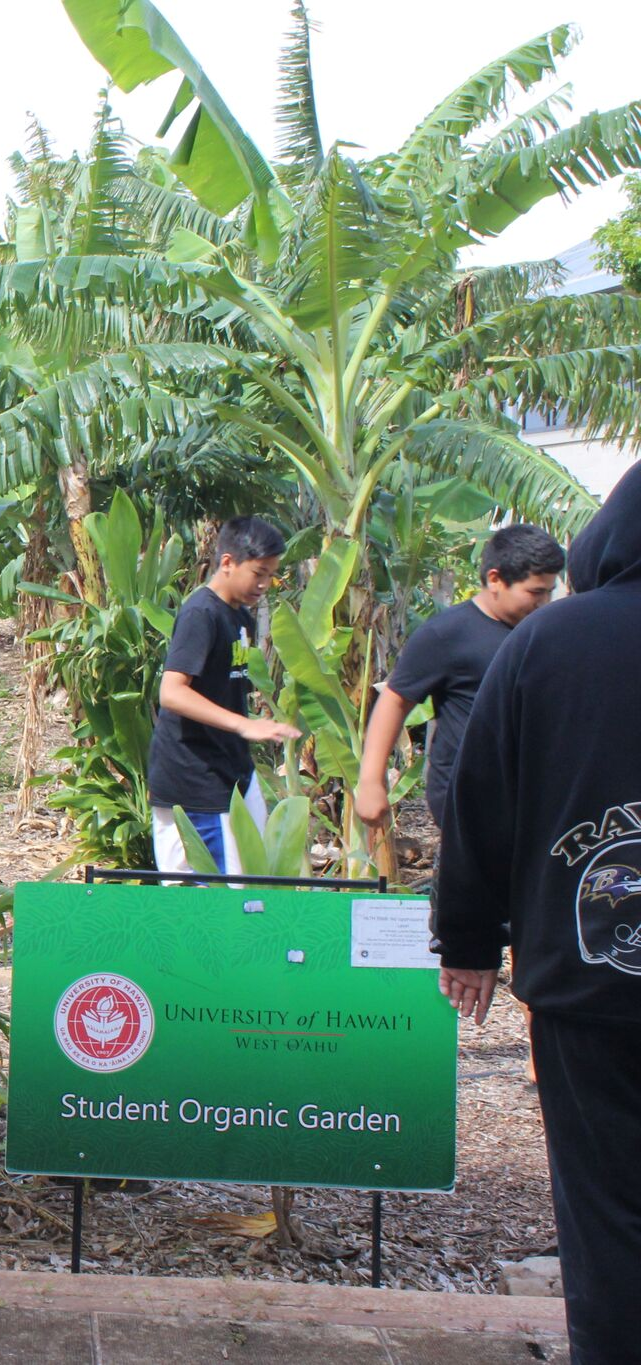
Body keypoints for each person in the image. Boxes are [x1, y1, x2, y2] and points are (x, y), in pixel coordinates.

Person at [434, 466, 641, 1364]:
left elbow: (483, 801)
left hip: (587, 983)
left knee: (604, 1204)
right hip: (585, 973)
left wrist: (471, 941)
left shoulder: (550, 640)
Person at [356, 524, 566, 845]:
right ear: (495, 579)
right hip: (470, 800)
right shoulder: (447, 634)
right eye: (535, 592)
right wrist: (371, 781)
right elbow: (396, 700)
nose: (544, 602)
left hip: (536, 800)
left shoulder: (545, 633)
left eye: (549, 592)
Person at [147, 516, 302, 874]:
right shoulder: (201, 614)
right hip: (196, 778)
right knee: (211, 900)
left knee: (250, 885)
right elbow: (172, 692)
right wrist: (243, 725)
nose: (264, 584)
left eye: (271, 575)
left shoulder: (240, 618)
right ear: (228, 562)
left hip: (233, 772)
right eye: (259, 573)